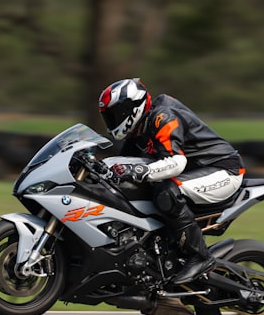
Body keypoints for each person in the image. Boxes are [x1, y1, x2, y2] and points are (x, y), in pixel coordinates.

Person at [98, 77, 245, 286]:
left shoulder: (163, 118)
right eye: (108, 116)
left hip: (222, 170)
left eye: (115, 114)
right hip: (195, 172)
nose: (112, 120)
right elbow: (121, 163)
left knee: (165, 191)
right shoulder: (137, 129)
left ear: (132, 108)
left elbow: (176, 162)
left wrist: (141, 170)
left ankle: (200, 256)